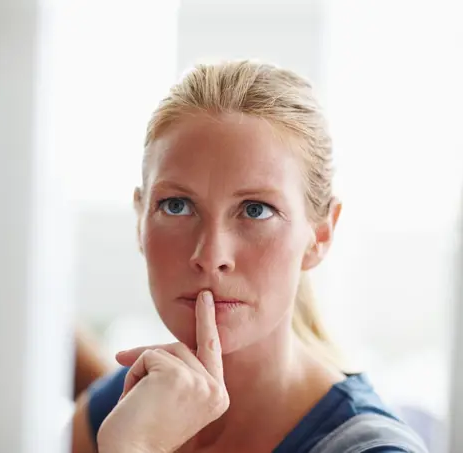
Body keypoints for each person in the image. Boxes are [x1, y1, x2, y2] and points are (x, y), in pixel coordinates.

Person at [70, 60, 427, 453]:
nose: (210, 255)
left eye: (256, 210)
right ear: (140, 221)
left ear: (321, 234)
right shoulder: (110, 414)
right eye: (176, 205)